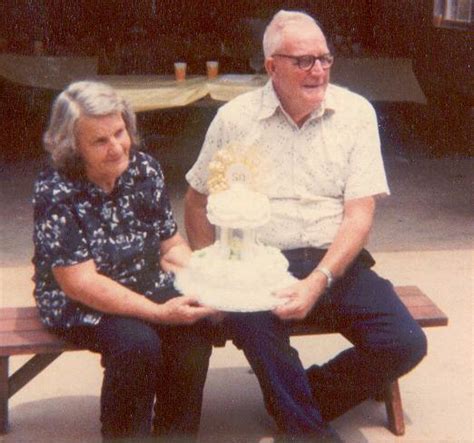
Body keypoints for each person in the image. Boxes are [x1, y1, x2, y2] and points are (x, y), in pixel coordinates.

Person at [185, 9, 427, 442]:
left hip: (332, 260)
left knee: (405, 341)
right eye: (304, 61)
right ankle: (309, 431)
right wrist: (211, 275)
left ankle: (298, 397)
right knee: (257, 329)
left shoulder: (355, 114)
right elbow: (197, 198)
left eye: (325, 59)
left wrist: (318, 281)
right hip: (258, 265)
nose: (319, 71)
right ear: (271, 66)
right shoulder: (235, 118)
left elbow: (359, 215)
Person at [32, 80, 216, 441]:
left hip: (143, 281)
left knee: (195, 327)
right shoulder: (55, 190)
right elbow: (80, 282)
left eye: (119, 132)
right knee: (137, 343)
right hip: (82, 301)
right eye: (100, 141)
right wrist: (158, 312)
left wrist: (208, 280)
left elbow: (170, 244)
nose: (116, 147)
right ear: (74, 148)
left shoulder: (144, 170)